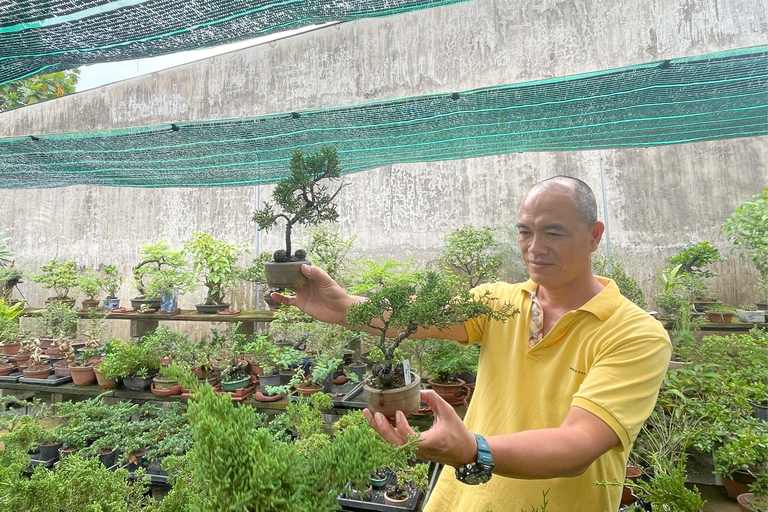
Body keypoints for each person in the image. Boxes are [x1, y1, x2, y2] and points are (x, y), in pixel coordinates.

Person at [272, 176, 671, 511]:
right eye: (525, 232)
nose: (535, 248)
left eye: (553, 232)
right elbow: (413, 315)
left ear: (594, 236)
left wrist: (472, 449)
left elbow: (577, 445)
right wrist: (342, 307)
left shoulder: (634, 334)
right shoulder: (501, 302)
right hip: (459, 500)